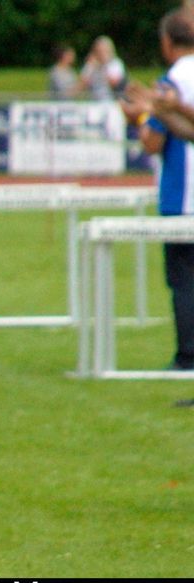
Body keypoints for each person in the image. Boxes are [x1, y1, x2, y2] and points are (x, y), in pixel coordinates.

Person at [120, 10, 194, 371]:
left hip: (183, 194)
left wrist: (138, 117)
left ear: (167, 42)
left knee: (184, 282)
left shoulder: (170, 82)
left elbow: (152, 142)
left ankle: (187, 357)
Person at [82, 35, 127, 101]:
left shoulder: (115, 63)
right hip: (93, 99)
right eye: (98, 50)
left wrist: (102, 67)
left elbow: (114, 83)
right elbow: (82, 85)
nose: (101, 53)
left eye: (103, 50)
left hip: (112, 99)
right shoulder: (91, 64)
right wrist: (91, 68)